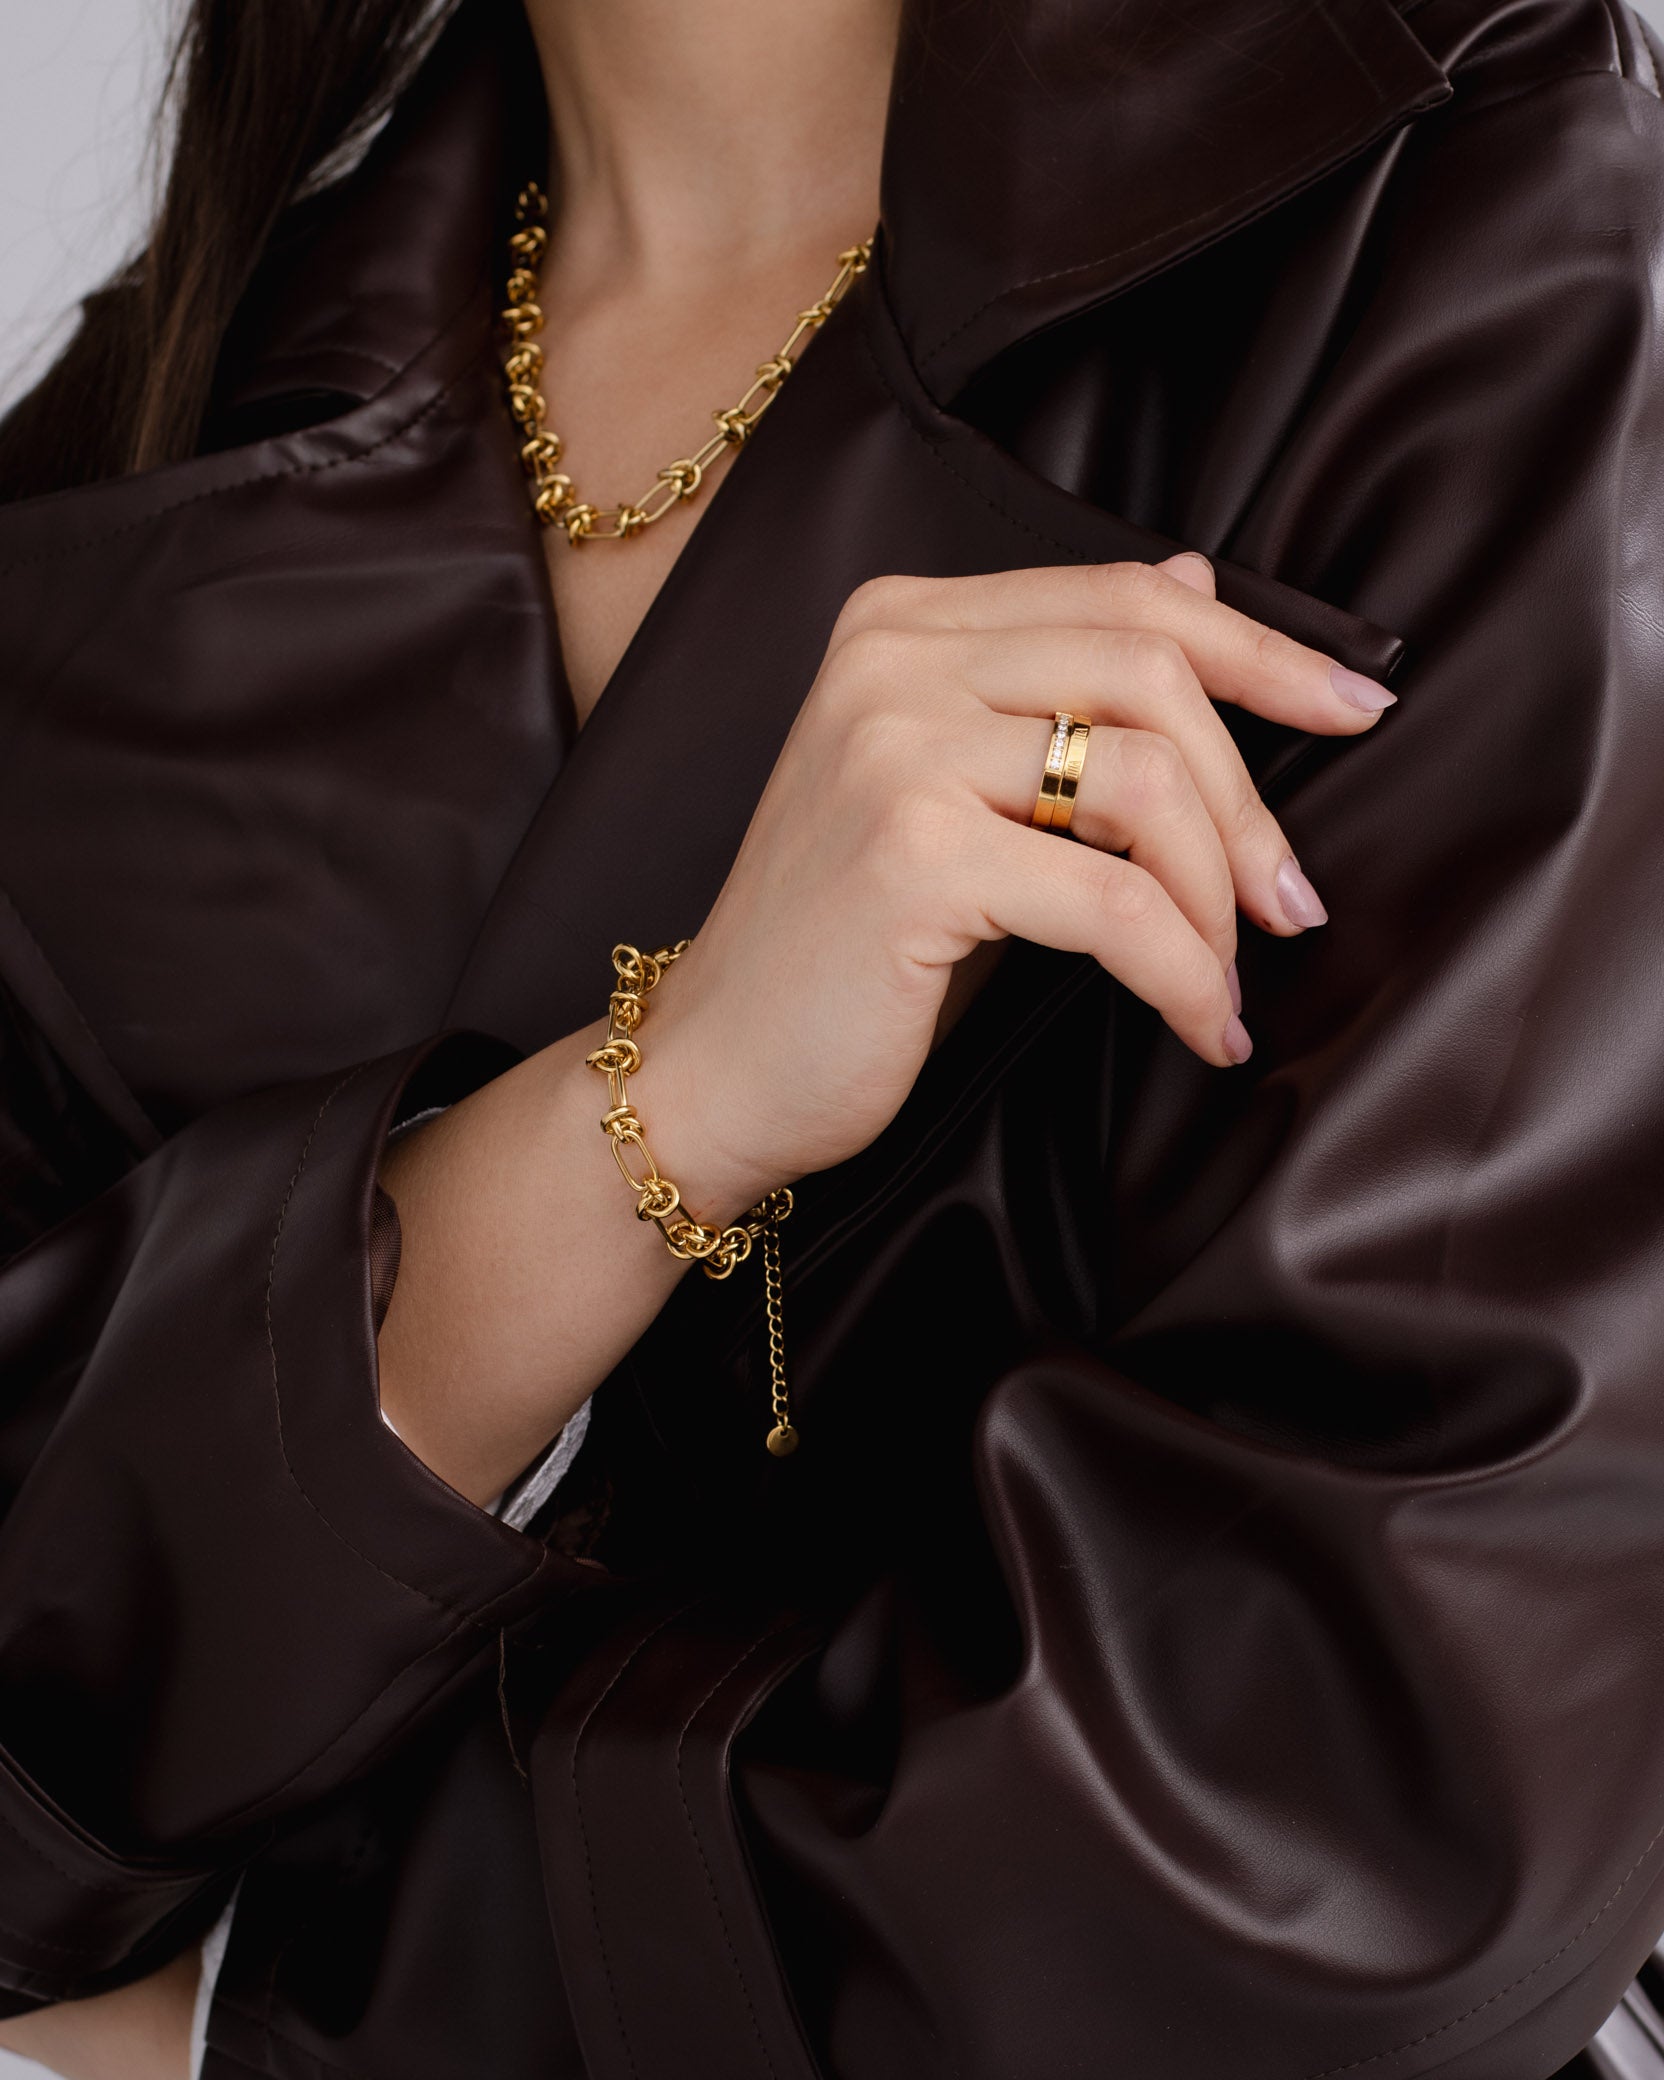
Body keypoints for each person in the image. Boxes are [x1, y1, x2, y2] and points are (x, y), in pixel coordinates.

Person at [0, 0, 1662, 2074]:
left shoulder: (1446, 184)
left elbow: (1361, 1810)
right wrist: (645, 1112)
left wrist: (247, 1998)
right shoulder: (140, 436)